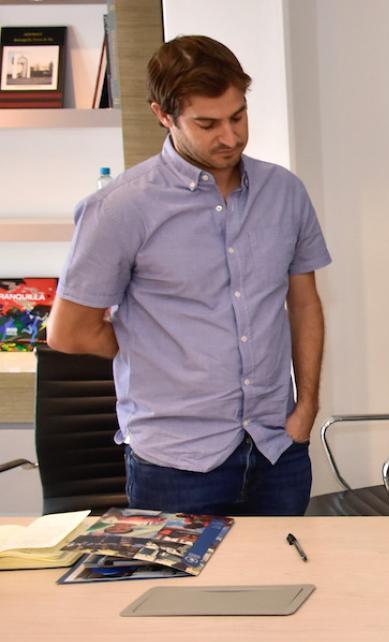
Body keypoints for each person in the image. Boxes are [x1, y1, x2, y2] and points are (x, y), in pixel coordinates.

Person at [48, 35, 331, 516]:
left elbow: (303, 303)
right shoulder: (119, 209)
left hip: (277, 447)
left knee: (289, 586)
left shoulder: (284, 192)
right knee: (180, 594)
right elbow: (68, 332)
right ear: (163, 115)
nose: (230, 137)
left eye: (238, 116)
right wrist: (149, 343)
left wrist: (306, 409)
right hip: (175, 463)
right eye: (207, 123)